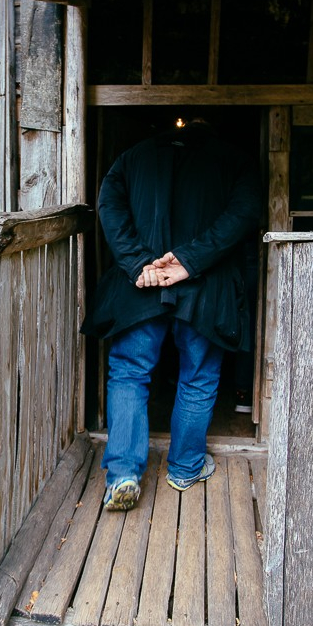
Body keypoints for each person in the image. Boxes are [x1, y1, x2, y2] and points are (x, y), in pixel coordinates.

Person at [82, 118, 260, 511]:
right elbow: (244, 214)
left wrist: (140, 264)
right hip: (205, 290)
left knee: (129, 373)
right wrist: (188, 261)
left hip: (141, 288)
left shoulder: (131, 158)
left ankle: (124, 474)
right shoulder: (235, 160)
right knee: (197, 377)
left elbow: (109, 208)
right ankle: (185, 469)